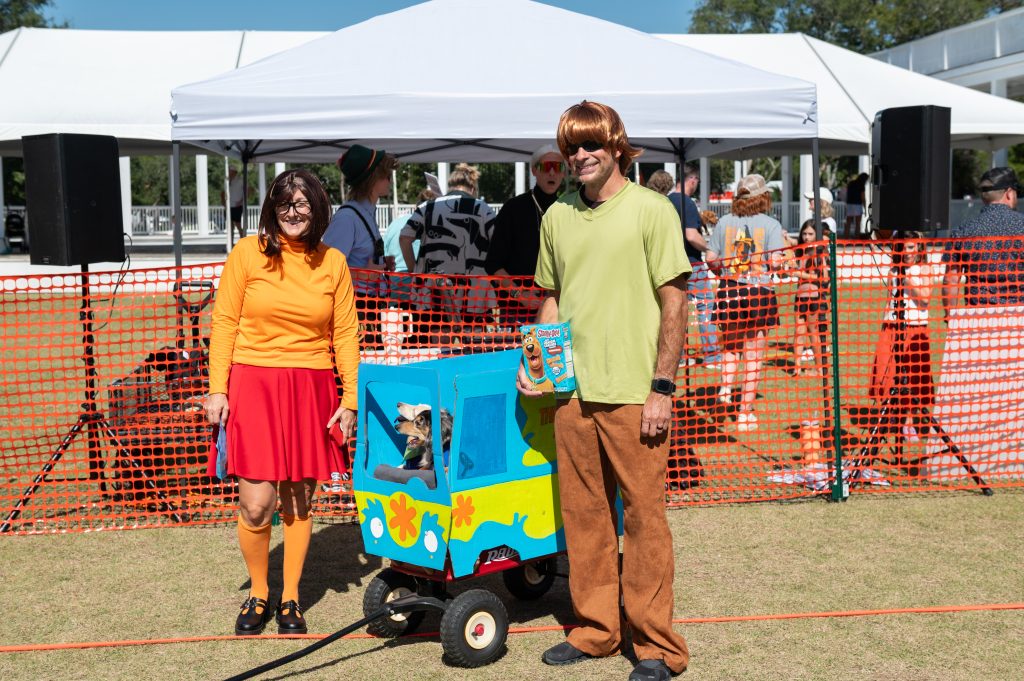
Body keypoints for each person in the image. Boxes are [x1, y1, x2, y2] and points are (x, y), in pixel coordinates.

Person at [517, 100, 690, 681]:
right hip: (570, 394)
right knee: (585, 515)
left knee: (644, 517)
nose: (580, 157)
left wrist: (662, 387)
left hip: (636, 392)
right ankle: (595, 630)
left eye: (590, 145)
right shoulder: (556, 216)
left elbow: (675, 300)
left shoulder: (652, 210)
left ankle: (656, 647)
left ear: (617, 145)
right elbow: (552, 299)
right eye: (570, 149)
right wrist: (536, 363)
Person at [205, 169, 360, 637]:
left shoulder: (332, 262)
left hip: (311, 388)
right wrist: (217, 389)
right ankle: (259, 592)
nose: (294, 214)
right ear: (271, 209)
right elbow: (225, 322)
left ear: (318, 210)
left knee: (298, 499)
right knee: (256, 503)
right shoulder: (246, 254)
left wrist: (350, 398)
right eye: (285, 204)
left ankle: (290, 596)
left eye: (303, 205)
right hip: (252, 384)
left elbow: (347, 334)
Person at [706, 173, 786, 432]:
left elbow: (710, 258)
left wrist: (723, 273)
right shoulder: (771, 224)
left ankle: (725, 390)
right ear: (763, 197)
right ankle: (744, 414)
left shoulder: (724, 222)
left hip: (729, 290)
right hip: (758, 291)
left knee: (730, 347)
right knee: (753, 355)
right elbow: (775, 263)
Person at [399, 164, 496, 342]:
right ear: (473, 188)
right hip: (474, 295)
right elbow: (498, 241)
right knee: (472, 352)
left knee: (436, 349)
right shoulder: (483, 208)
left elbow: (405, 238)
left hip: (432, 292)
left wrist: (416, 271)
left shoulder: (427, 207)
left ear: (450, 187)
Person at [485, 145, 565, 328]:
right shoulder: (513, 208)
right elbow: (493, 263)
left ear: (564, 173)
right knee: (522, 357)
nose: (552, 173)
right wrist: (520, 295)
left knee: (554, 357)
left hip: (559, 309)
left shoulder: (570, 209)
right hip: (517, 312)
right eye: (546, 167)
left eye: (558, 167)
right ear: (534, 170)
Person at [870, 233, 936, 448]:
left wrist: (906, 276)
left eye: (911, 247)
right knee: (885, 373)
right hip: (892, 326)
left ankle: (908, 422)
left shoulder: (924, 269)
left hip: (915, 327)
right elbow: (891, 299)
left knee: (912, 376)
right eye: (904, 248)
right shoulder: (892, 271)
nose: (907, 253)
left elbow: (924, 297)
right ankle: (887, 418)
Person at [942, 167, 1024, 315]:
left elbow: (951, 280)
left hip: (978, 320)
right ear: (1009, 193)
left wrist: (950, 317)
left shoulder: (963, 231)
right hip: (1019, 317)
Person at [668, 164, 722, 368]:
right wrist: (709, 247)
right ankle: (712, 356)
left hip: (672, 263)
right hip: (693, 263)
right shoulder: (687, 203)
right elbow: (691, 235)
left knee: (676, 310)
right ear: (692, 180)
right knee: (705, 307)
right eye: (697, 181)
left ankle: (679, 357)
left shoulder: (666, 201)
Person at [789, 220, 829, 377]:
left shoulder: (819, 253)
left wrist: (799, 273)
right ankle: (797, 367)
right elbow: (789, 242)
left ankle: (819, 368)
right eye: (804, 233)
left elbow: (823, 278)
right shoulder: (800, 251)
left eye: (810, 234)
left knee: (813, 332)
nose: (806, 237)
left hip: (814, 297)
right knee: (798, 331)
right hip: (800, 296)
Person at [221, 167, 246, 239]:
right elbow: (223, 192)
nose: (229, 172)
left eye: (230, 171)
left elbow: (248, 190)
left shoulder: (240, 180)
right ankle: (230, 243)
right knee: (230, 226)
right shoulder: (227, 180)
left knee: (238, 225)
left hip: (237, 205)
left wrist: (242, 201)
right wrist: (223, 202)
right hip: (228, 206)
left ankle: (242, 242)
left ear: (234, 172)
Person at [844, 172, 869, 237]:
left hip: (849, 204)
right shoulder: (861, 185)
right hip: (857, 205)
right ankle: (856, 238)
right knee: (857, 223)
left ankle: (846, 237)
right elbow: (863, 197)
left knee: (848, 222)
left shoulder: (851, 183)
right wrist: (865, 208)